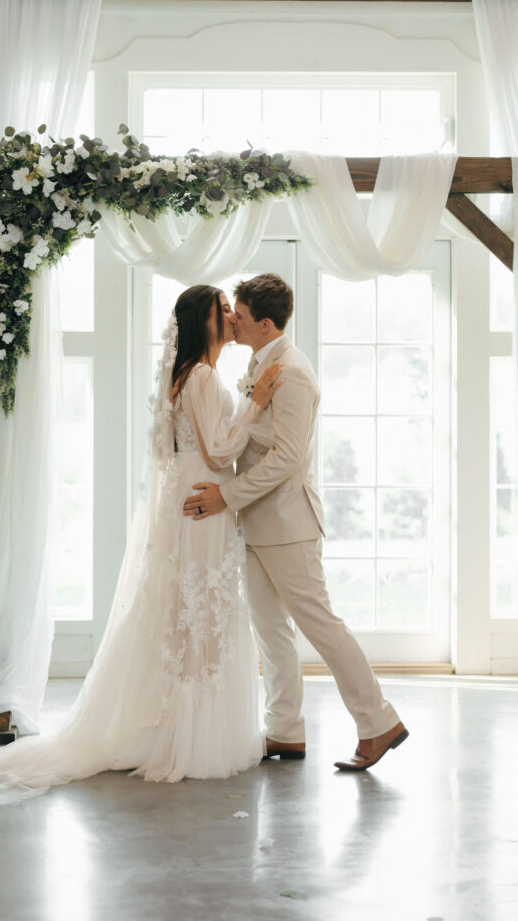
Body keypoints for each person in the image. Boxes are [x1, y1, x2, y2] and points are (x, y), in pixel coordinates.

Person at [0, 284, 281, 812]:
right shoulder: (200, 376)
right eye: (223, 309)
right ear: (203, 321)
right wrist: (254, 405)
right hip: (203, 500)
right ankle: (186, 734)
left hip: (197, 498)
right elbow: (220, 448)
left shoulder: (200, 375)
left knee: (191, 615)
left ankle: (184, 724)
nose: (232, 315)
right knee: (195, 615)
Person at [183, 273, 408, 772]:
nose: (231, 323)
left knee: (321, 627)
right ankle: (284, 732)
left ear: (264, 324)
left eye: (238, 317)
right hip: (256, 524)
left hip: (287, 524)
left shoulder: (294, 372)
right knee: (270, 631)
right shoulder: (259, 363)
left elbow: (286, 457)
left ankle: (378, 722)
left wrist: (227, 497)